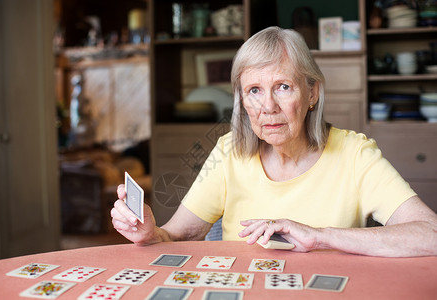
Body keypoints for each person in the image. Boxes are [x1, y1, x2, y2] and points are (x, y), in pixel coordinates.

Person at [111, 26, 437, 257]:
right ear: (242, 100)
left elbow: (431, 234)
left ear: (312, 93)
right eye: (254, 91)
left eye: (283, 86)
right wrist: (150, 234)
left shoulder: (355, 155)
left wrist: (320, 237)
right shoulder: (229, 151)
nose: (268, 107)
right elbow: (176, 236)